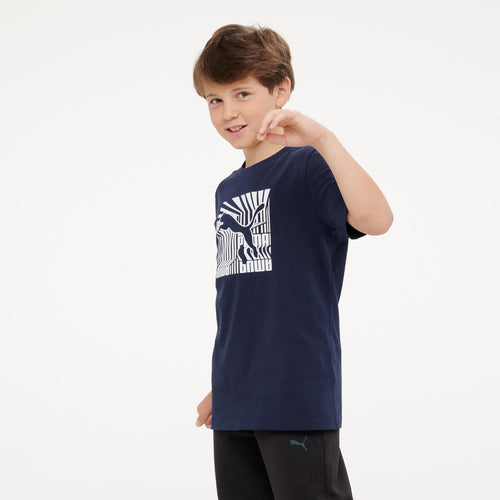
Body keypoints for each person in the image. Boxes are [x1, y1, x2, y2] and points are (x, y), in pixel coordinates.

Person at [192, 23, 393, 499]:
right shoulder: (227, 189)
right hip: (236, 400)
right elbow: (244, 299)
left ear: (280, 90)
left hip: (295, 396)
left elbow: (377, 219)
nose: (228, 112)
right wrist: (226, 383)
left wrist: (322, 139)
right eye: (215, 100)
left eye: (242, 94)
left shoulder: (308, 165)